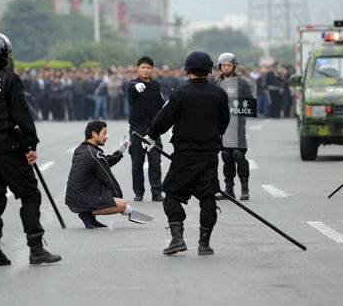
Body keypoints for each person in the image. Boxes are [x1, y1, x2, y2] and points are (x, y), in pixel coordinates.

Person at [0, 33, 61, 266]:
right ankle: (36, 249)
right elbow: (22, 113)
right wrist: (30, 144)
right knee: (30, 194)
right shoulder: (10, 80)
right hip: (11, 146)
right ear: (6, 56)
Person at [143, 51, 230, 255]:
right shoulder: (219, 94)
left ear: (188, 70)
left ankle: (178, 238)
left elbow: (164, 119)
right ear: (209, 70)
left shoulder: (180, 93)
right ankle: (204, 244)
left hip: (184, 154)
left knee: (171, 195)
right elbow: (223, 123)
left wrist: (151, 136)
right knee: (207, 197)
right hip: (209, 153)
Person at [65, 121, 133, 228]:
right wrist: (120, 202)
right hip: (82, 201)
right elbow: (108, 178)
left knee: (98, 184)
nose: (106, 137)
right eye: (104, 133)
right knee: (122, 204)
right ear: (94, 134)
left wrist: (120, 152)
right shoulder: (94, 154)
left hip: (73, 200)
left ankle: (91, 217)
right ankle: (88, 214)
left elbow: (103, 162)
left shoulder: (81, 149)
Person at [214, 52, 255, 201]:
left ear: (233, 67)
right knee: (226, 156)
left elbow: (249, 102)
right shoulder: (217, 83)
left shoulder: (242, 83)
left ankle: (245, 187)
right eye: (223, 65)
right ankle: (228, 190)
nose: (226, 68)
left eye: (228, 65)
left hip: (237, 124)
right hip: (223, 126)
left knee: (238, 154)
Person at [128, 56, 165, 201]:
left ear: (152, 69)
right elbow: (130, 88)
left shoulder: (156, 86)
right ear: (138, 69)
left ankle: (156, 192)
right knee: (137, 162)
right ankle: (139, 192)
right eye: (143, 67)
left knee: (155, 162)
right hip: (137, 128)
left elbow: (162, 104)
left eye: (148, 68)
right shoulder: (133, 84)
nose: (145, 70)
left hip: (153, 129)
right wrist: (135, 87)